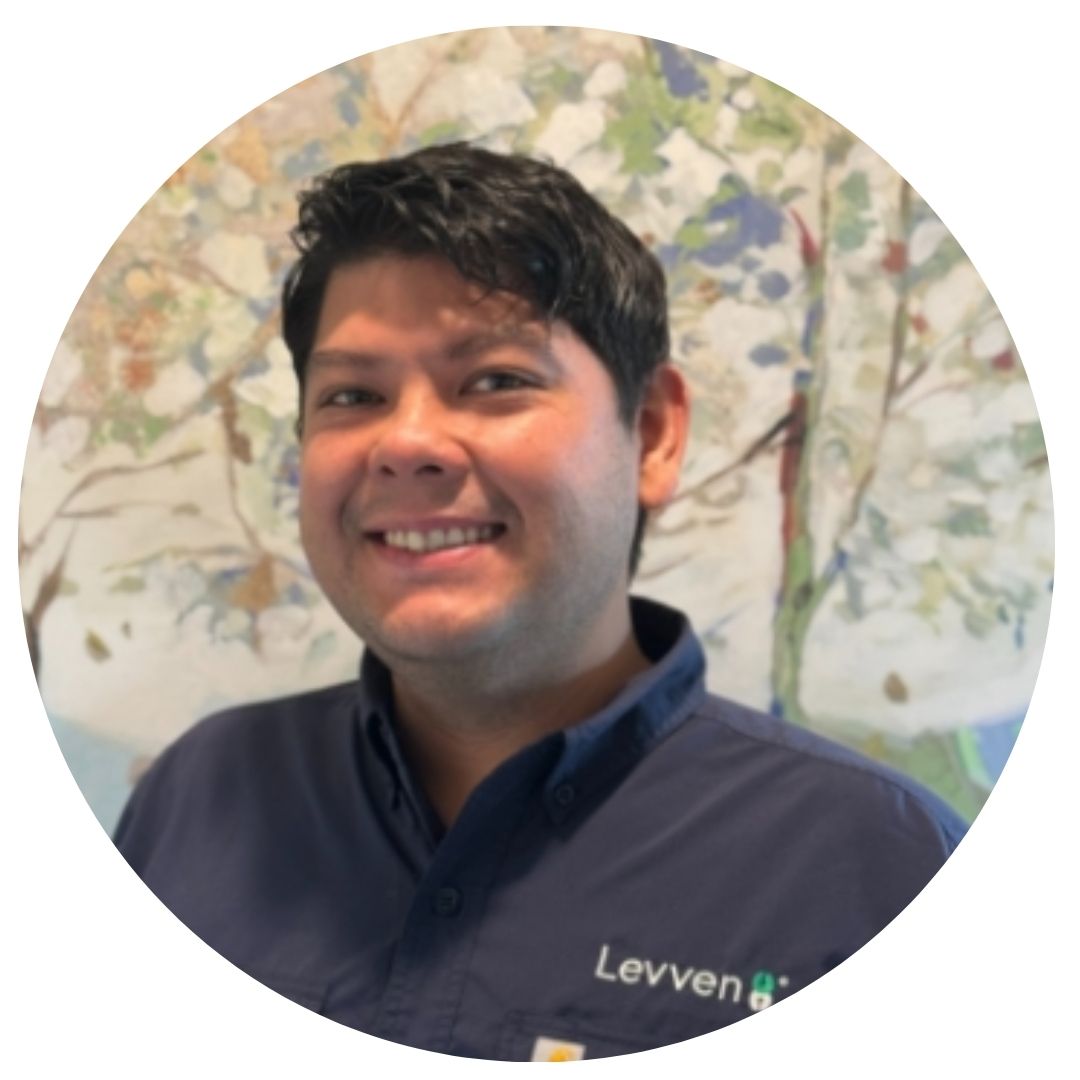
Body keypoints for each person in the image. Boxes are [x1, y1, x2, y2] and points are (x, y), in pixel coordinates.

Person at [114, 142, 966, 1061]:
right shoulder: (199, 797)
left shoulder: (882, 872)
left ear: (651, 434)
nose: (405, 444)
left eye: (496, 381)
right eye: (353, 394)